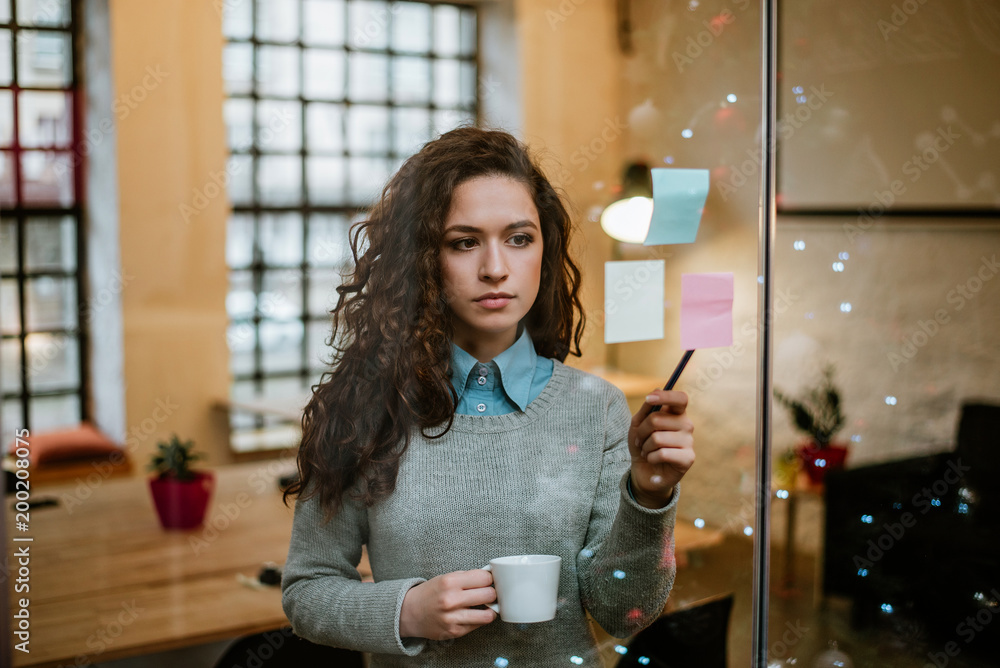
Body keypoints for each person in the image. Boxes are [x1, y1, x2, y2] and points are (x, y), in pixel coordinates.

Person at [280, 126, 695, 667]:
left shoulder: (597, 408)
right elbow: (306, 591)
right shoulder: (366, 407)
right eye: (464, 242)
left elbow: (627, 613)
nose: (495, 268)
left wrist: (650, 495)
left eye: (519, 238)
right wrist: (404, 611)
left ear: (544, 251)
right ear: (424, 258)